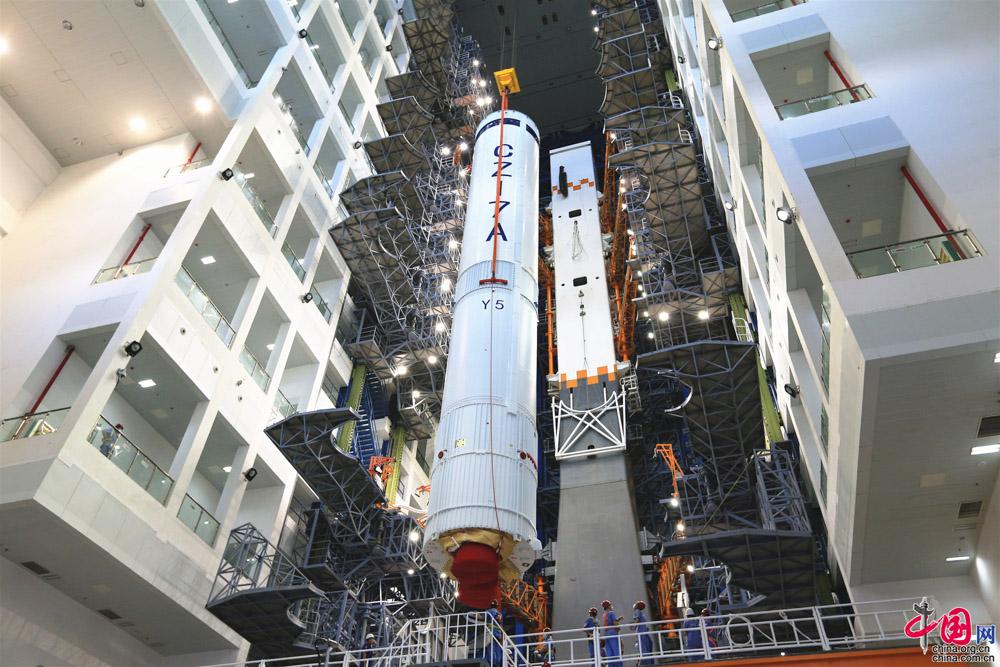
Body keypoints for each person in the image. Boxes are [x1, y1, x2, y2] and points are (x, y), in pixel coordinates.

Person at [601, 600, 622, 667]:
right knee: (616, 651)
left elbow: (608, 623)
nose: (611, 606)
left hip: (606, 634)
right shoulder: (611, 613)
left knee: (609, 652)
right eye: (610, 605)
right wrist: (618, 624)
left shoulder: (604, 614)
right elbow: (615, 623)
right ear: (608, 606)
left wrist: (617, 620)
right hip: (613, 633)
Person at [633, 601, 653, 666]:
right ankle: (646, 662)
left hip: (642, 631)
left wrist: (633, 626)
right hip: (642, 631)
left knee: (645, 646)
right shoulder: (640, 612)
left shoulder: (637, 611)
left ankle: (646, 661)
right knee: (644, 646)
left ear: (637, 606)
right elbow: (639, 621)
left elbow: (638, 620)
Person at [485, 599, 504, 666]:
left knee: (491, 648)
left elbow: (481, 618)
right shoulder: (499, 614)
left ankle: (492, 663)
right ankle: (498, 663)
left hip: (491, 632)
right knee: (497, 649)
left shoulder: (488, 612)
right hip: (498, 634)